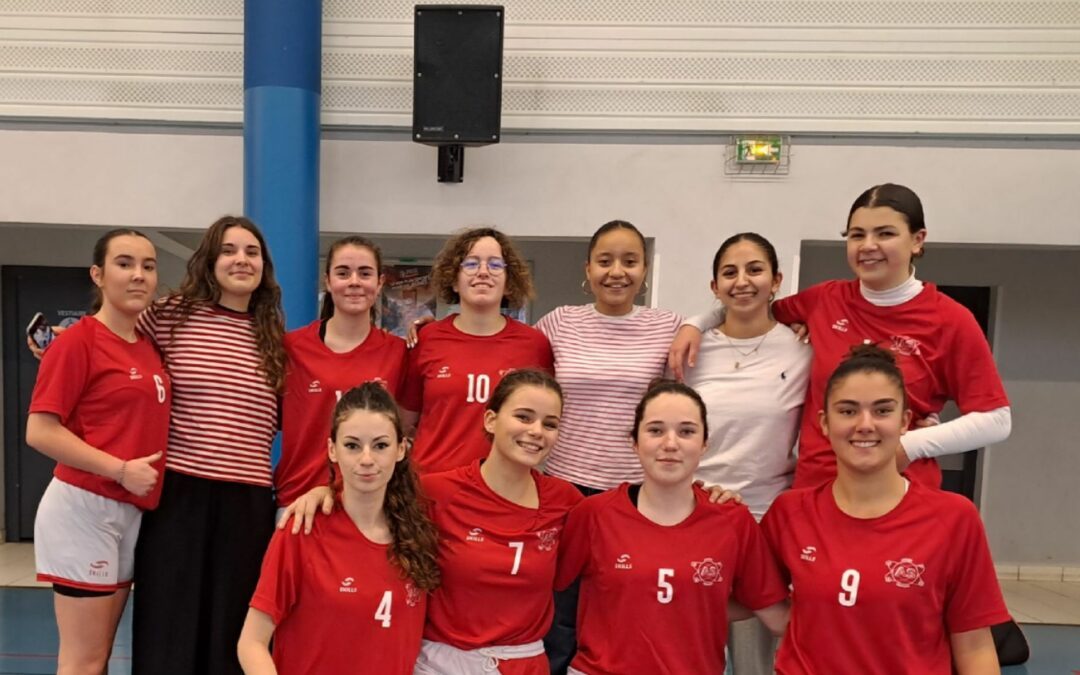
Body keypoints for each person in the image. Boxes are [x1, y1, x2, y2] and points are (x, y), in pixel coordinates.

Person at [671, 184, 1011, 490]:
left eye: (885, 233)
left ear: (918, 240)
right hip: (814, 496)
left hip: (897, 493)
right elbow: (752, 304)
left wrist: (912, 445)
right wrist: (695, 324)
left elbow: (996, 420)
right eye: (856, 235)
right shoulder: (824, 300)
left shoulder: (949, 320)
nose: (868, 246)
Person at [761, 345, 1007, 673]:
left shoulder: (954, 519)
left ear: (905, 421)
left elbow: (974, 645)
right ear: (824, 422)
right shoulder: (789, 512)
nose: (865, 425)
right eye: (848, 411)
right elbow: (729, 589)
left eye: (882, 411)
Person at [131, 215, 288, 675]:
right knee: (169, 623)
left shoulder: (273, 338)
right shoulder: (169, 315)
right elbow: (113, 343)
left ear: (264, 266)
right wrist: (65, 344)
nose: (241, 260)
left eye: (252, 252)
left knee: (233, 628)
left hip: (248, 500)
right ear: (210, 260)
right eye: (229, 250)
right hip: (181, 493)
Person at [555, 380, 789, 675]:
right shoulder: (592, 515)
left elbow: (775, 615)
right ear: (634, 441)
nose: (670, 444)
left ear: (705, 444)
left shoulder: (733, 520)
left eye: (686, 431)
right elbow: (550, 599)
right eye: (655, 430)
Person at [27, 228, 170, 675]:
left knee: (100, 656)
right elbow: (40, 430)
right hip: (85, 509)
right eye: (124, 264)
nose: (138, 275)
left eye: (148, 266)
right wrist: (120, 469)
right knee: (83, 661)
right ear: (98, 274)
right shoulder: (76, 342)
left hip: (129, 511)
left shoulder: (147, 346)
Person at [237, 383, 440, 675]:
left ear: (401, 449)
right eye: (352, 445)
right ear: (333, 449)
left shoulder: (418, 534)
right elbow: (252, 643)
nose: (366, 459)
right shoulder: (303, 529)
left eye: (380, 445)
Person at [680, 232, 811, 674]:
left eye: (754, 270)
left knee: (756, 663)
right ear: (714, 286)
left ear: (776, 280)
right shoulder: (689, 350)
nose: (742, 281)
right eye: (729, 272)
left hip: (763, 523)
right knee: (689, 651)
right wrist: (697, 322)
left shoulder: (802, 351)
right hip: (695, 519)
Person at [414, 369, 583, 674]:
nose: (536, 431)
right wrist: (323, 493)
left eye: (550, 424)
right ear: (490, 419)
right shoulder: (436, 492)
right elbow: (368, 508)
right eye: (523, 417)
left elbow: (629, 522)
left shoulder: (566, 501)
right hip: (441, 663)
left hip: (524, 663)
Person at [274, 236, 408, 530]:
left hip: (370, 506)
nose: (354, 282)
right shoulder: (291, 348)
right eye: (343, 272)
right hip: (299, 500)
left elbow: (407, 429)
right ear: (327, 281)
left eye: (365, 273)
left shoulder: (399, 353)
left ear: (380, 282)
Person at [400, 227, 553, 474]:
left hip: (505, 489)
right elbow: (406, 423)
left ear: (509, 283)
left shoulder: (535, 345)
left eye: (495, 265)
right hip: (432, 489)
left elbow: (543, 423)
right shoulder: (426, 339)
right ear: (454, 280)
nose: (483, 272)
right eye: (471, 264)